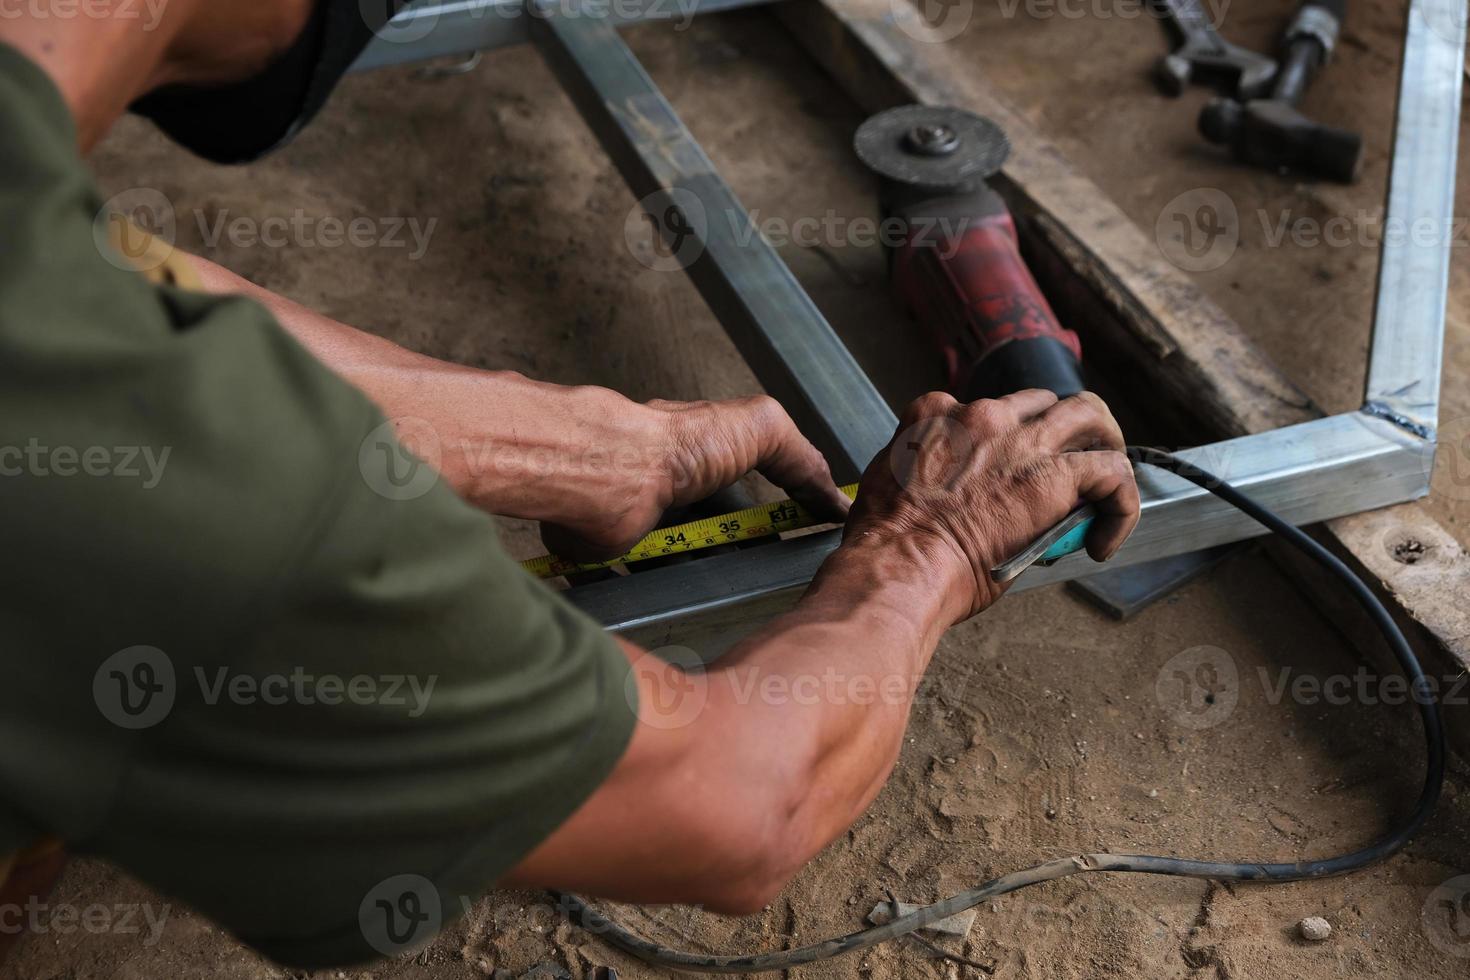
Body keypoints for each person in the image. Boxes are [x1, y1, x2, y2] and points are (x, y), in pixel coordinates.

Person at [0, 0, 1139, 967]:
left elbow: (105, 277)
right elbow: (734, 801)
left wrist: (564, 436)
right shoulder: (164, 485)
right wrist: (927, 543)